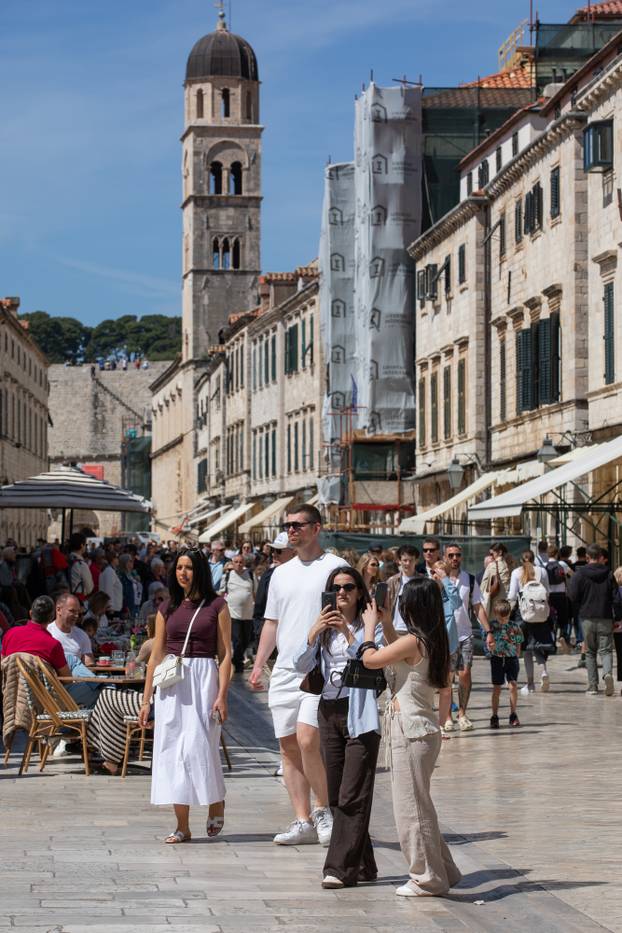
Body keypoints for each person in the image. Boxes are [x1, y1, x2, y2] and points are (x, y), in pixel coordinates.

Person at [249, 503, 346, 847]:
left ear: (316, 528)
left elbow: (350, 610)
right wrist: (260, 663)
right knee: (288, 747)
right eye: (287, 525)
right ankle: (302, 819)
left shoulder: (335, 567)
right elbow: (272, 622)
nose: (291, 531)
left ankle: (325, 810)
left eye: (298, 525)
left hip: (319, 668)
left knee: (308, 740)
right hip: (286, 668)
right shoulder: (280, 574)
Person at [360, 577, 461, 898]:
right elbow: (398, 654)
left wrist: (369, 628)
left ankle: (427, 878)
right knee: (421, 805)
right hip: (423, 728)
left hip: (410, 729)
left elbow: (372, 659)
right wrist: (387, 625)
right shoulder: (431, 639)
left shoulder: (414, 640)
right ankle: (445, 870)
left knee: (411, 809)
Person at [293, 567, 385, 889]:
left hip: (359, 715)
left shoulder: (370, 627)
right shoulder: (324, 629)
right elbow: (299, 665)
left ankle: (338, 869)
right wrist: (312, 635)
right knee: (335, 795)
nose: (342, 592)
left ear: (360, 592)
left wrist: (350, 634)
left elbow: (371, 663)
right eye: (336, 588)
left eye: (348, 587)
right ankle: (366, 865)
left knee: (352, 795)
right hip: (329, 711)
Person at [139, 548, 232, 842]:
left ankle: (215, 800)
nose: (183, 573)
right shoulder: (166, 608)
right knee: (171, 751)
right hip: (172, 682)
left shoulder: (217, 605)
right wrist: (146, 699)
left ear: (200, 570)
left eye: (189, 567)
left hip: (204, 679)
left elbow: (226, 653)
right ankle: (182, 825)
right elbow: (155, 656)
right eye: (179, 567)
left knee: (200, 745)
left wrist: (223, 695)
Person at [443, 543, 492, 731]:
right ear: (445, 557)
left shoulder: (469, 580)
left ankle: (462, 713)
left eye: (458, 555)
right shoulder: (439, 579)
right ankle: (447, 715)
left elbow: (477, 607)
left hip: (465, 634)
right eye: (451, 555)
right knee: (446, 677)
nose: (455, 558)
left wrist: (488, 632)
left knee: (464, 674)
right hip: (445, 636)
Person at [568, 544, 616, 696]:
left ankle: (593, 686)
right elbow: (616, 597)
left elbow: (573, 596)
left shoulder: (580, 574)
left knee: (589, 652)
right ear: (600, 557)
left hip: (586, 616)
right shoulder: (609, 573)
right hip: (605, 616)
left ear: (587, 557)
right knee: (606, 650)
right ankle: (607, 673)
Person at [507, 551, 552, 694]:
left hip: (524, 614)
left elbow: (512, 595)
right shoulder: (542, 571)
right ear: (534, 559)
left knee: (526, 649)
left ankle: (530, 683)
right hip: (540, 613)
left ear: (521, 560)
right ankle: (544, 671)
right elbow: (547, 592)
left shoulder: (516, 572)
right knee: (539, 645)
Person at [1, 595, 70, 676]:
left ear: (30, 613)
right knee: (72, 659)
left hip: (11, 686)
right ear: (52, 618)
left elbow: (2, 663)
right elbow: (66, 678)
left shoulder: (10, 634)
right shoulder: (53, 645)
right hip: (41, 688)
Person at [431, 561, 462, 737]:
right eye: (434, 573)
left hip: (449, 649)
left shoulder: (449, 597)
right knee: (428, 688)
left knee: (446, 688)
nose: (436, 576)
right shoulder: (427, 593)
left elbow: (457, 602)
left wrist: (445, 580)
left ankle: (442, 724)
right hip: (430, 649)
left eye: (440, 573)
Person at [252, 532, 295, 649]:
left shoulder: (303, 576)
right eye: (273, 550)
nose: (274, 555)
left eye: (279, 551)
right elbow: (259, 608)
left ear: (294, 552)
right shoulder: (268, 575)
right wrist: (259, 632)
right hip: (271, 642)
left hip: (294, 640)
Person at [487, 599, 523, 728]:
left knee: (513, 685)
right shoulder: (492, 627)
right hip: (497, 659)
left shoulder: (514, 626)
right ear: (495, 615)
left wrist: (518, 651)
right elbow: (488, 642)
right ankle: (494, 715)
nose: (503, 620)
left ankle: (513, 714)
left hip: (511, 658)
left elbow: (519, 640)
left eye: (506, 617)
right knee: (497, 687)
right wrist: (490, 647)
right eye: (501, 618)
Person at [221, 553, 256, 673]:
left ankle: (236, 659)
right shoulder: (227, 576)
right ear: (232, 563)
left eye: (241, 562)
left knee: (246, 640)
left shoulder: (250, 574)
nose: (239, 564)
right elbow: (221, 593)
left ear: (244, 563)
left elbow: (254, 592)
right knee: (237, 639)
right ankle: (238, 663)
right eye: (236, 562)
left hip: (248, 614)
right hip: (233, 613)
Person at [48, 593, 94, 666]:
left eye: (78, 612)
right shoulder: (47, 632)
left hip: (77, 676)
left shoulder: (82, 635)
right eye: (72, 611)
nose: (76, 615)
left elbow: (89, 665)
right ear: (58, 610)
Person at [387, 546, 420, 633]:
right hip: (395, 629)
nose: (408, 563)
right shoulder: (392, 582)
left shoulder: (422, 582)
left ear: (416, 561)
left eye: (411, 560)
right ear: (399, 561)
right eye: (405, 560)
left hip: (415, 630)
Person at [546, 545, 572, 654]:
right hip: (561, 595)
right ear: (557, 554)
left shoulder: (544, 566)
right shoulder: (562, 564)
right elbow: (573, 575)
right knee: (563, 619)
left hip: (549, 596)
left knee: (551, 620)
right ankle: (563, 636)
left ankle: (552, 643)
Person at [67, 533, 94, 602]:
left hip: (67, 596)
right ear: (82, 545)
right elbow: (89, 587)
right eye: (85, 545)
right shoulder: (81, 564)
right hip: (78, 599)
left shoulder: (67, 559)